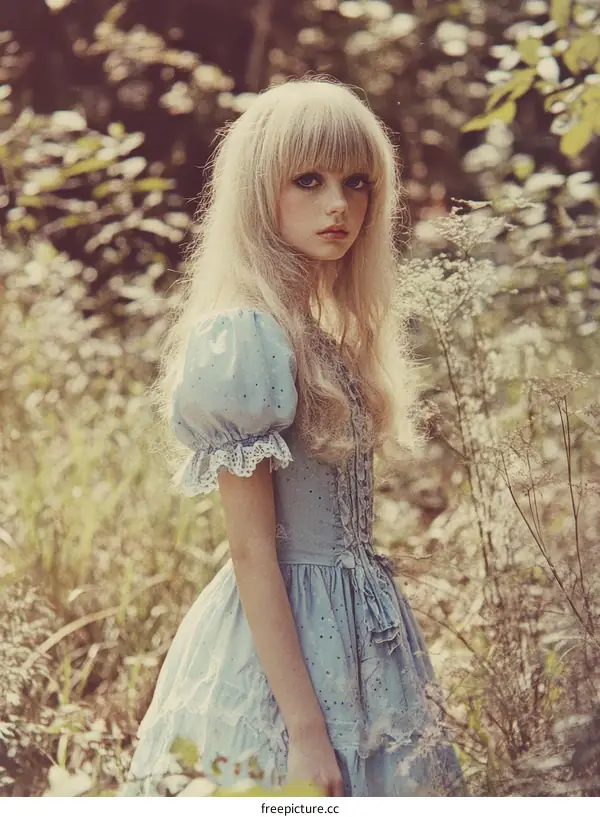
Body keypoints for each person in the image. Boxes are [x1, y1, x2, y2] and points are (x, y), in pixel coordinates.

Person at [121, 75, 465, 798]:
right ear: (259, 192)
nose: (339, 204)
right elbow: (251, 550)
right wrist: (305, 728)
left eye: (357, 182)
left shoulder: (329, 335)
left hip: (363, 634)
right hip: (286, 645)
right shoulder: (247, 336)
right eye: (307, 180)